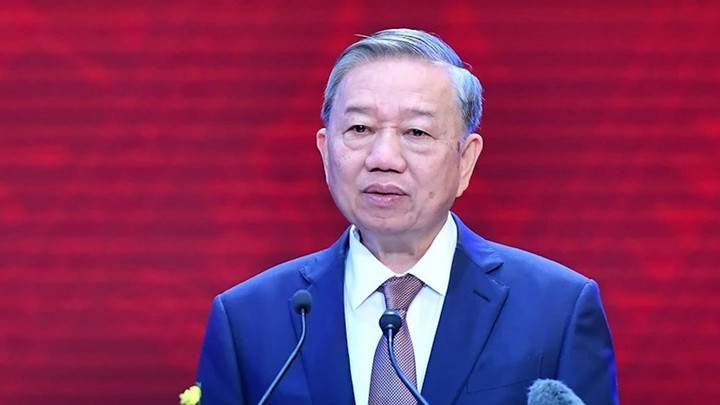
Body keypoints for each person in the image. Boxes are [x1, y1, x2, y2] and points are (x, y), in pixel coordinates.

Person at [195, 28, 618, 405]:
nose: (383, 158)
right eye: (360, 129)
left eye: (416, 132)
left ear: (465, 161)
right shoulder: (247, 320)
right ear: (325, 152)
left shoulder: (557, 310)